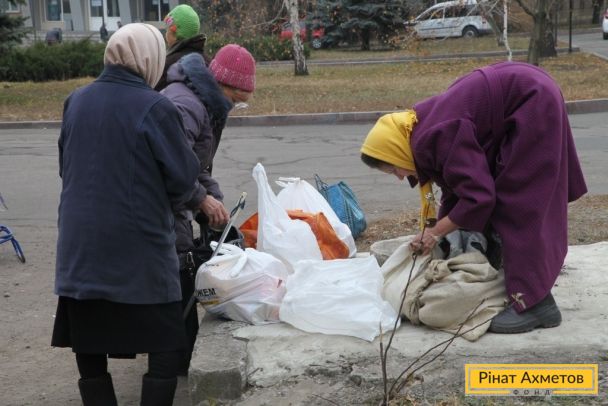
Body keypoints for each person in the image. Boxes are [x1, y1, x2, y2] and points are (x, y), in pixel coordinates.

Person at [360, 61, 587, 334]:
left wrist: (435, 233)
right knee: (497, 197)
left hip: (532, 101)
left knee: (518, 205)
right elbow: (458, 189)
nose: (399, 177)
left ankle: (536, 305)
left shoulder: (436, 135)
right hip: (528, 89)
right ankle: (505, 271)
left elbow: (478, 198)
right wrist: (439, 233)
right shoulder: (419, 130)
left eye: (393, 169)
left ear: (396, 150)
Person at [51, 23, 200, 406]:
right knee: (165, 338)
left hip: (79, 247)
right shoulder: (156, 107)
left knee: (88, 337)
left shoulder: (75, 101)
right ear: (151, 59)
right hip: (138, 249)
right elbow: (183, 180)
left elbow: (67, 168)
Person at [159, 43, 256, 373]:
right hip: (163, 205)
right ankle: (174, 362)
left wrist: (212, 195)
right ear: (224, 85)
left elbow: (195, 164)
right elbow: (171, 165)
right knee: (180, 271)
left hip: (178, 199)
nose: (236, 106)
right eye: (238, 99)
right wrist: (201, 198)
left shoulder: (207, 103)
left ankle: (178, 355)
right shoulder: (186, 106)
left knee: (182, 269)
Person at [155, 4, 209, 91]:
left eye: (167, 30)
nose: (166, 34)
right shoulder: (206, 61)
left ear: (175, 33)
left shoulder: (168, 63)